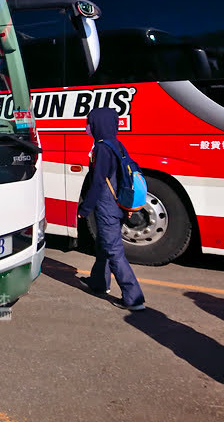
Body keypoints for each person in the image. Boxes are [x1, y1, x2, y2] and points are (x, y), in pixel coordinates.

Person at [77, 107, 146, 311]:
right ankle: (99, 282)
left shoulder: (102, 148)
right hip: (119, 203)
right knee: (104, 244)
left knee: (113, 250)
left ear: (98, 124)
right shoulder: (117, 144)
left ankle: (133, 297)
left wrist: (85, 207)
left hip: (107, 206)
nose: (87, 127)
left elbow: (98, 182)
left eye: (89, 123)